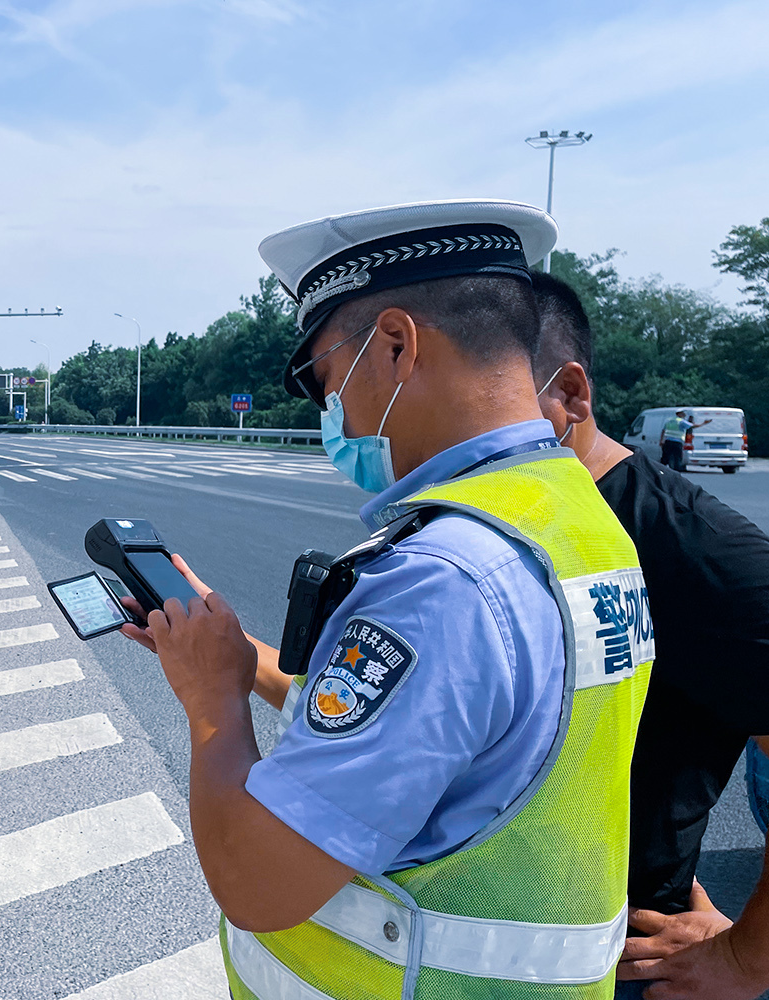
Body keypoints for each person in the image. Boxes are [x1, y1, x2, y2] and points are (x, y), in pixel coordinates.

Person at [120, 200, 654, 1000]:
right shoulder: (575, 520)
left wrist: (210, 701)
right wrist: (236, 657)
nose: (331, 412)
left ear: (397, 345)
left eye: (323, 379)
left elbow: (258, 883)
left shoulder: (443, 578)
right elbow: (441, 731)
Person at [532, 271, 769, 1000]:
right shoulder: (506, 529)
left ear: (570, 396)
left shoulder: (688, 546)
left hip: (623, 962)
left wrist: (747, 958)